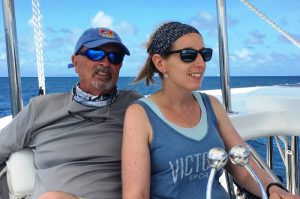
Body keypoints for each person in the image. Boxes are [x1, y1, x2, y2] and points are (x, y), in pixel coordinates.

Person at [121, 21, 299, 199]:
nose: (200, 63)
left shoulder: (211, 105)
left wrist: (272, 189)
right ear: (160, 63)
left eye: (204, 54)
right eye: (188, 55)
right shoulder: (140, 114)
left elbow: (242, 168)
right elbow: (137, 194)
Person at [0, 27, 141, 199]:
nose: (105, 63)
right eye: (95, 54)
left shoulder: (135, 107)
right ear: (75, 63)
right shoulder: (40, 108)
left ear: (120, 66)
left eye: (115, 57)